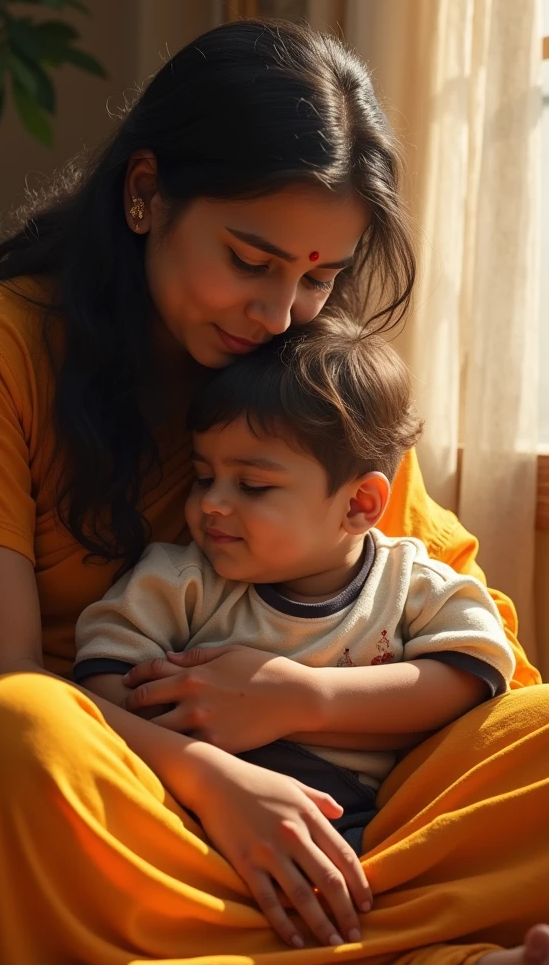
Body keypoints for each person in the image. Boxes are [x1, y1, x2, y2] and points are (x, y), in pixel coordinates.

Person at [0, 19, 546, 965]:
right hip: (62, 783)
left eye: (319, 277)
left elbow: (485, 652)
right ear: (146, 194)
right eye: (250, 260)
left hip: (319, 794)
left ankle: (235, 935)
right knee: (17, 736)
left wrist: (298, 701)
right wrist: (214, 780)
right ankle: (395, 941)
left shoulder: (311, 375)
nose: (277, 315)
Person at [74, 313, 517, 859]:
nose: (212, 502)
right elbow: (101, 683)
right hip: (199, 810)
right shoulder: (181, 580)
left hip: (358, 821)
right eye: (203, 476)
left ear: (359, 505)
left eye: (253, 485)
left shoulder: (411, 584)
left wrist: (308, 700)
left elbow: (474, 671)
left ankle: (475, 950)